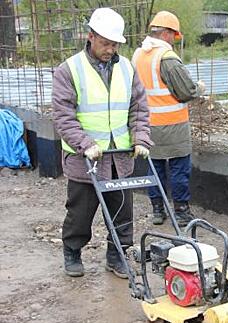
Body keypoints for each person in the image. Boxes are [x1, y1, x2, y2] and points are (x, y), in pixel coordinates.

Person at [52, 8, 152, 278]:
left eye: (115, 44)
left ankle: (117, 255)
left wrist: (140, 137)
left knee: (122, 212)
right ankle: (72, 251)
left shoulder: (127, 68)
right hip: (85, 159)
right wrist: (85, 143)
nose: (111, 49)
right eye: (106, 43)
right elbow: (63, 115)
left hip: (120, 156)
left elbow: (139, 108)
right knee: (80, 213)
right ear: (91, 37)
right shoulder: (69, 70)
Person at [132, 11, 205, 226]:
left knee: (154, 168)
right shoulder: (167, 58)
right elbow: (186, 91)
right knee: (179, 168)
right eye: (173, 35)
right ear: (166, 33)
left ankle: (157, 210)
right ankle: (181, 212)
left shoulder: (137, 55)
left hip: (147, 125)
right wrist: (198, 88)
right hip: (172, 125)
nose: (174, 39)